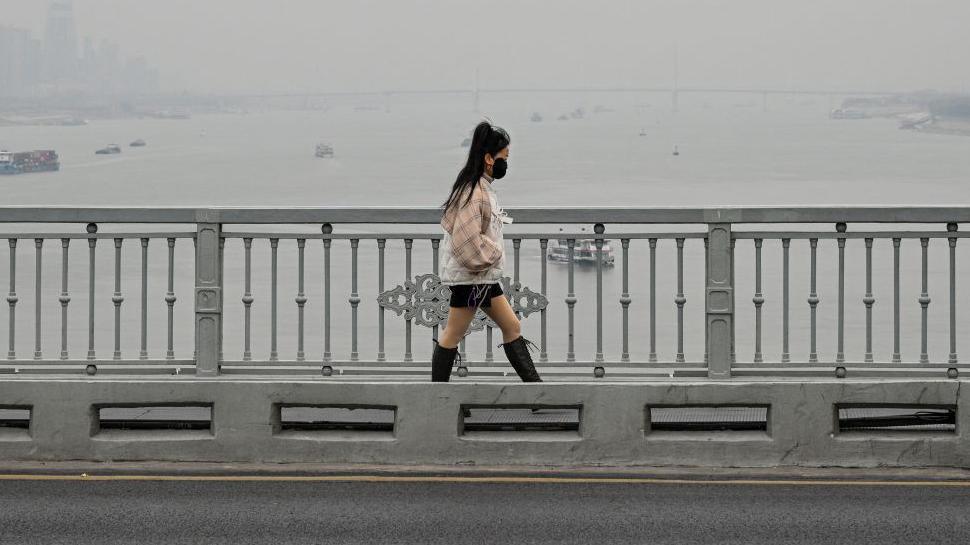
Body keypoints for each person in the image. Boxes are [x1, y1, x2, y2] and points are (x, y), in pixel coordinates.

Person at [432, 121, 541, 382]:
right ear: (489, 158)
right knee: (452, 334)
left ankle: (537, 393)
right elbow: (465, 241)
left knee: (512, 326)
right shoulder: (474, 192)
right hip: (473, 278)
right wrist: (495, 253)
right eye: (504, 158)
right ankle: (437, 398)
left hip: (481, 278)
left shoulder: (478, 187)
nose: (506, 164)